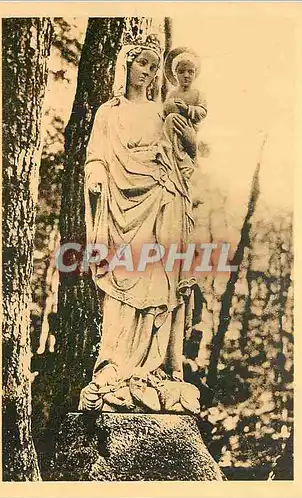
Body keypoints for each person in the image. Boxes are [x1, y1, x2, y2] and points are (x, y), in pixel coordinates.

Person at [78, 34, 201, 414]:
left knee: (159, 279)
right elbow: (96, 154)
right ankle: (114, 366)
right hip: (119, 207)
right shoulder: (108, 113)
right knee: (120, 283)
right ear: (126, 65)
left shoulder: (160, 111)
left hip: (160, 200)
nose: (146, 72)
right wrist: (96, 174)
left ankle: (155, 368)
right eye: (141, 63)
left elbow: (182, 153)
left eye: (152, 65)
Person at [162, 47, 207, 164]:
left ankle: (190, 159)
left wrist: (187, 109)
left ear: (195, 73)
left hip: (189, 129)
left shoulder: (198, 94)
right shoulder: (172, 94)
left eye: (190, 71)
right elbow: (165, 112)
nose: (186, 75)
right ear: (175, 73)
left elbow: (202, 112)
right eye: (181, 71)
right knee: (171, 120)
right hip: (173, 132)